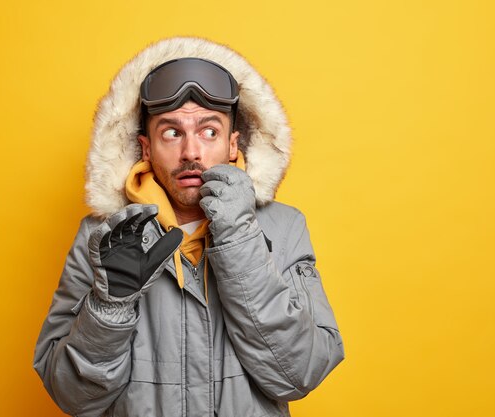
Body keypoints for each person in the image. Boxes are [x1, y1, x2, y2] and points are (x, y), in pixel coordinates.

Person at [33, 37, 344, 417]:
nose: (191, 152)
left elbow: (299, 375)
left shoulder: (283, 229)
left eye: (209, 131)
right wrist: (109, 307)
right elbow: (72, 396)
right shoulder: (102, 238)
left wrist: (241, 239)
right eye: (172, 132)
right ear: (145, 148)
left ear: (234, 144)